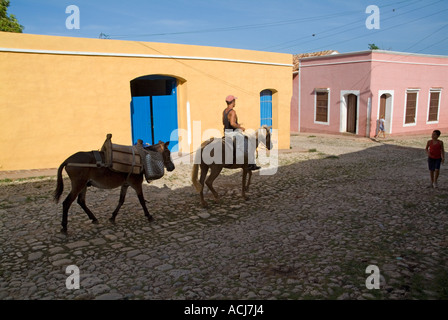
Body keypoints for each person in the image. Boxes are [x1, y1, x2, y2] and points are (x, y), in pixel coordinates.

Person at [222, 95, 260, 170]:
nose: (235, 102)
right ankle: (250, 164)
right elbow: (232, 123)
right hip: (233, 133)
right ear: (232, 102)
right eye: (234, 101)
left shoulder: (224, 111)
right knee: (249, 142)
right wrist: (240, 127)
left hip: (226, 132)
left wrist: (237, 124)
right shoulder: (232, 112)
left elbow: (224, 122)